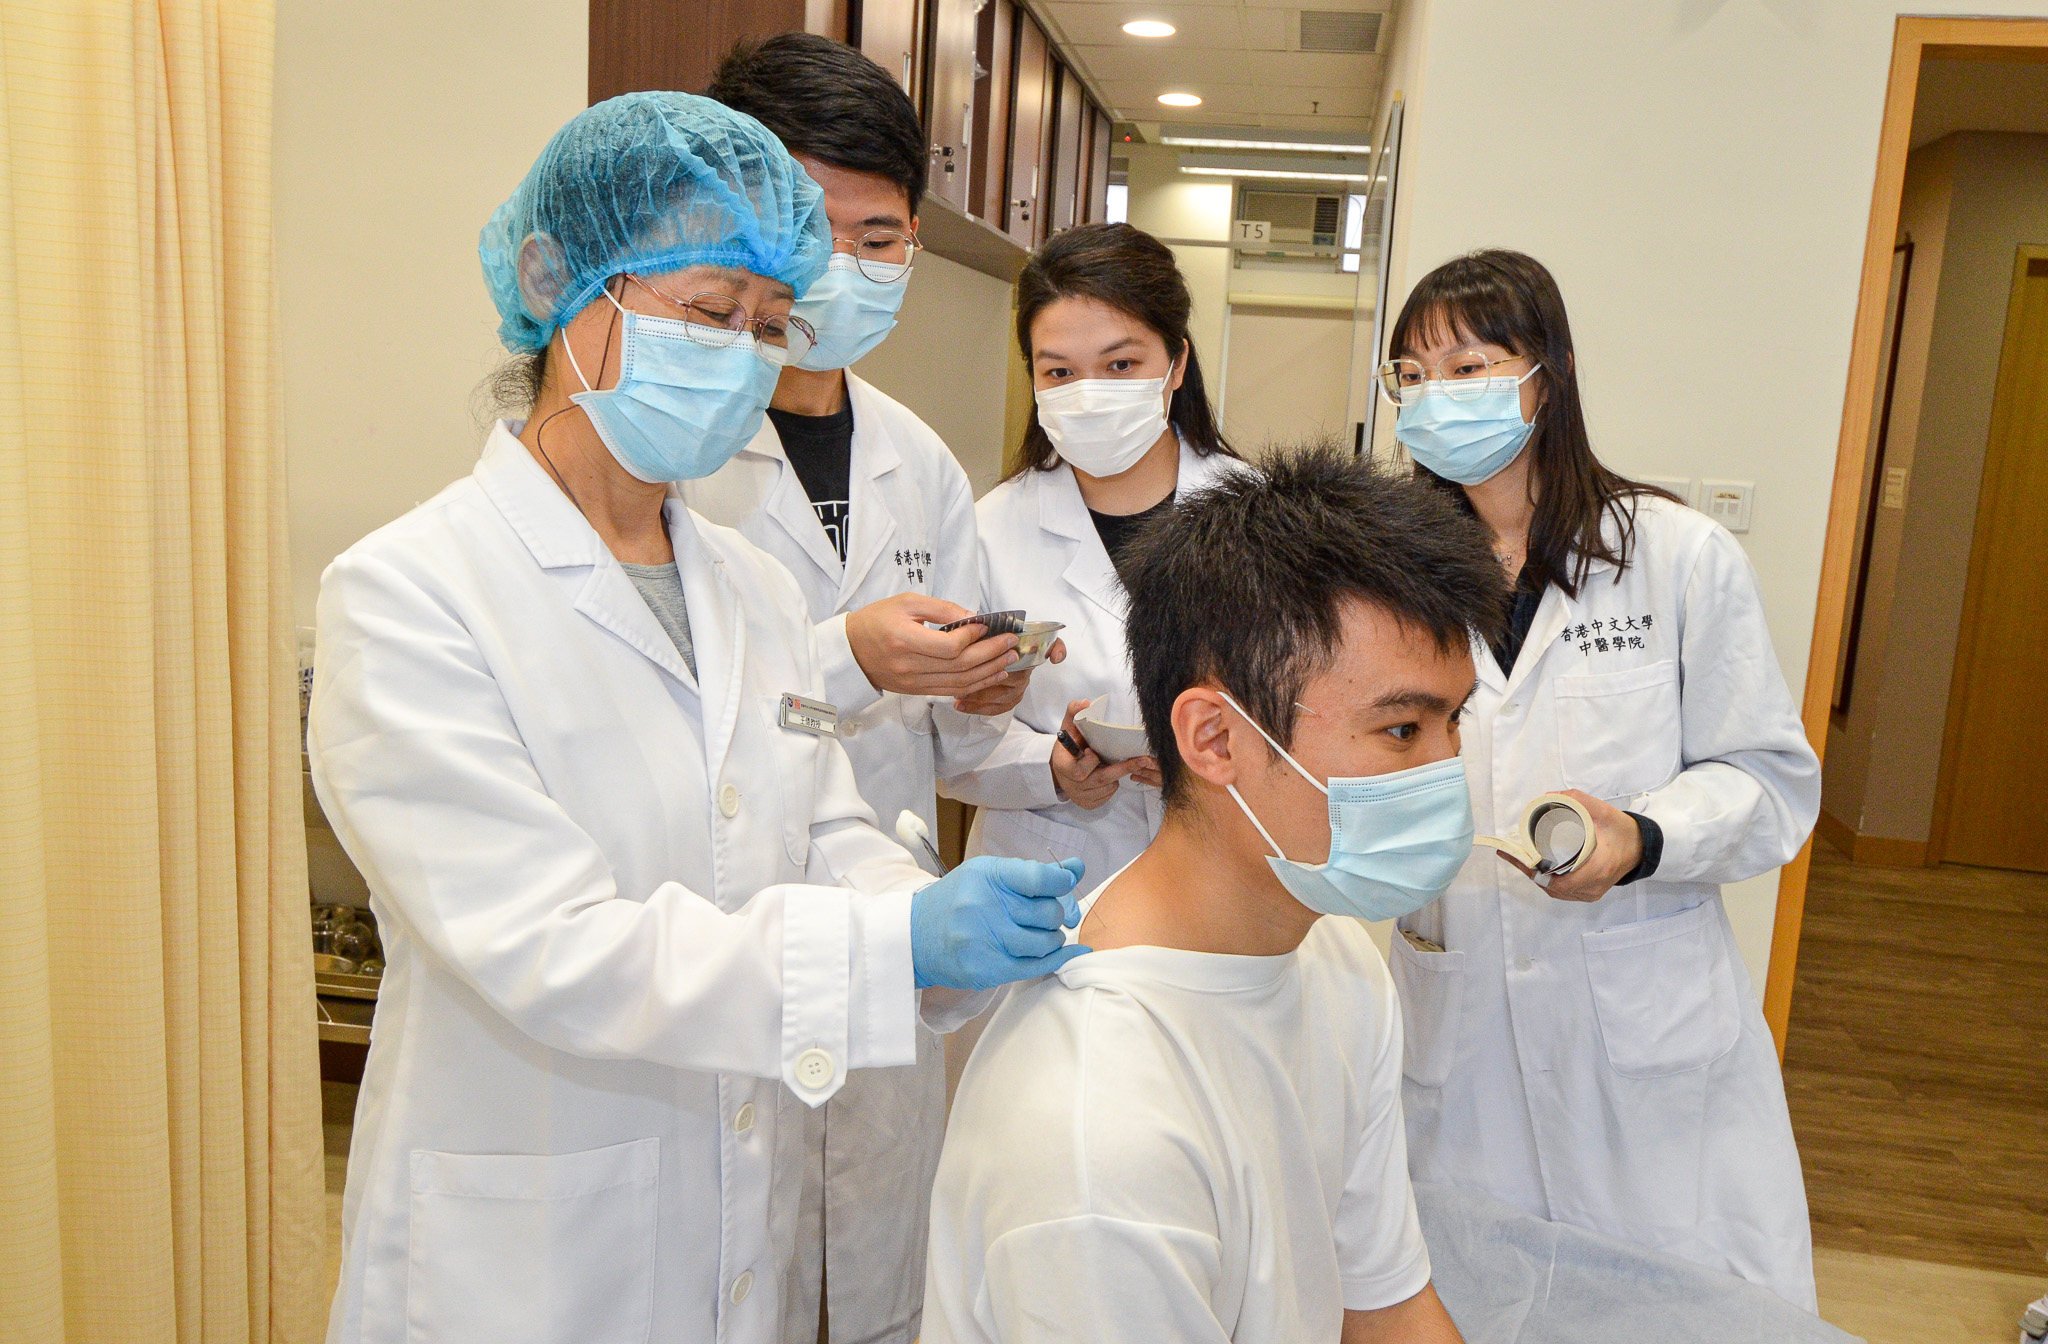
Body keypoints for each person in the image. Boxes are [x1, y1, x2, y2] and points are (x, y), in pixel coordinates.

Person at [311, 92, 1090, 1344]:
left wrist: (918, 918)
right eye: (708, 315)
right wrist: (881, 957)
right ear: (557, 283)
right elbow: (550, 945)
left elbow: (819, 826)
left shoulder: (751, 584)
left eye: (769, 326)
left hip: (736, 1210)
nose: (742, 355)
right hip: (522, 1254)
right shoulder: (410, 595)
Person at [924, 447, 1499, 1343]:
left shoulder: (1333, 957)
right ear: (1214, 739)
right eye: (1401, 729)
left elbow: (1385, 1305)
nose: (1446, 773)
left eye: (1453, 722)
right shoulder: (1096, 1130)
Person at [1376, 249, 1822, 1308]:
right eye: (1414, 374)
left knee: (1670, 1305)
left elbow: (1766, 784)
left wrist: (1640, 837)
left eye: (1471, 365)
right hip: (1460, 1020)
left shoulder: (1674, 557)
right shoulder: (1381, 574)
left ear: (1548, 376)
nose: (1440, 398)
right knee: (1468, 1296)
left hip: (1642, 1036)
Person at [694, 36, 1049, 1344]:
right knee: (741, 1277)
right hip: (730, 938)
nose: (842, 262)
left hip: (890, 924)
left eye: (879, 232)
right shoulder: (677, 447)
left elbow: (952, 748)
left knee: (883, 1286)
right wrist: (853, 655)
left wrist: (985, 681)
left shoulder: (919, 460)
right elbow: (704, 715)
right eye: (807, 221)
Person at [944, 222, 1239, 902]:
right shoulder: (988, 530)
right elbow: (945, 736)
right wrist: (1047, 766)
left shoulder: (1262, 518)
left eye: (1120, 365)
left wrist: (1218, 757)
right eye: (1060, 372)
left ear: (1177, 364)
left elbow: (1313, 712)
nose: (1090, 391)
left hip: (1218, 882)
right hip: (1045, 886)